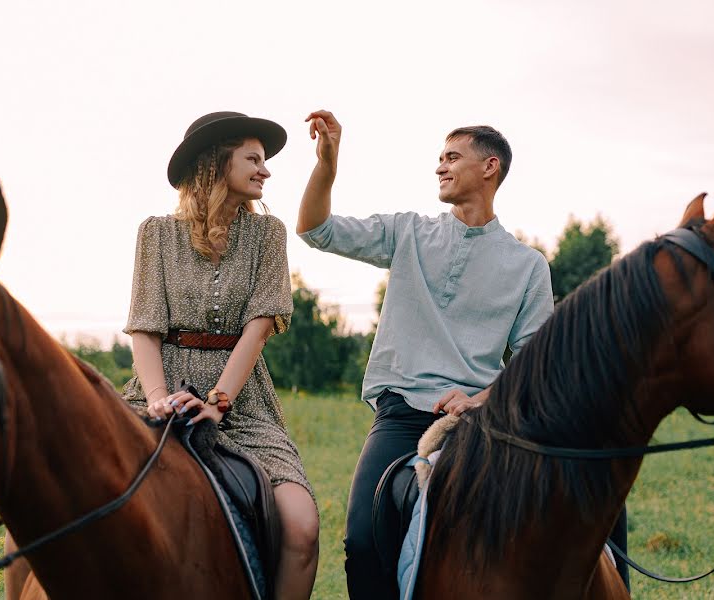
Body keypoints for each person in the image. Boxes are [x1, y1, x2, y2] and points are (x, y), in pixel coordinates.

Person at [296, 110, 555, 599]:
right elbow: (315, 228)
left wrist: (481, 398)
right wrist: (327, 161)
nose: (440, 166)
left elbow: (532, 362)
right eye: (439, 157)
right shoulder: (406, 232)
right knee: (364, 541)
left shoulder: (528, 266)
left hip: (484, 422)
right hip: (403, 414)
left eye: (452, 157)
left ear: (490, 167)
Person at [122, 111, 318, 600]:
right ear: (215, 163)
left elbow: (258, 330)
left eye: (265, 161)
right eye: (253, 159)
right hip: (159, 387)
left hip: (243, 402)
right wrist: (158, 399)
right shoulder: (156, 234)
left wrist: (218, 402)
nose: (265, 171)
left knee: (301, 526)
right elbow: (145, 329)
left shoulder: (266, 236)